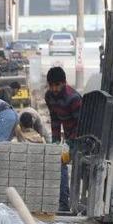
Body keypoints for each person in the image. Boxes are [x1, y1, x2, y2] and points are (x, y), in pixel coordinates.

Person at [44, 66, 81, 212]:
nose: (54, 89)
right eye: (51, 85)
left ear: (64, 83)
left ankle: (68, 204)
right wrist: (55, 140)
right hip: (67, 136)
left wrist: (71, 142)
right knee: (59, 161)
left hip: (80, 137)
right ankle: (63, 203)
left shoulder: (74, 98)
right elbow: (55, 119)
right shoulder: (49, 96)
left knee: (76, 167)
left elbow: (81, 124)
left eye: (57, 85)